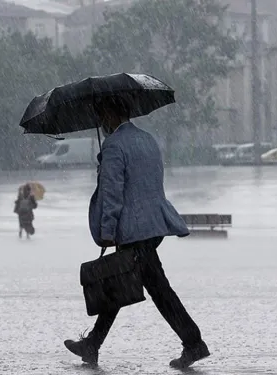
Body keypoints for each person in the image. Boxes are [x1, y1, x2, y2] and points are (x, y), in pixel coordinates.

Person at [63, 97, 209, 369]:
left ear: (110, 112)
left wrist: (107, 231)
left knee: (152, 288)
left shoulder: (115, 146)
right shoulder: (147, 140)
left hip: (133, 229)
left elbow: (112, 194)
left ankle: (194, 342)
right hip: (152, 225)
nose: (100, 122)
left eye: (100, 115)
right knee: (122, 283)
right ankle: (92, 344)